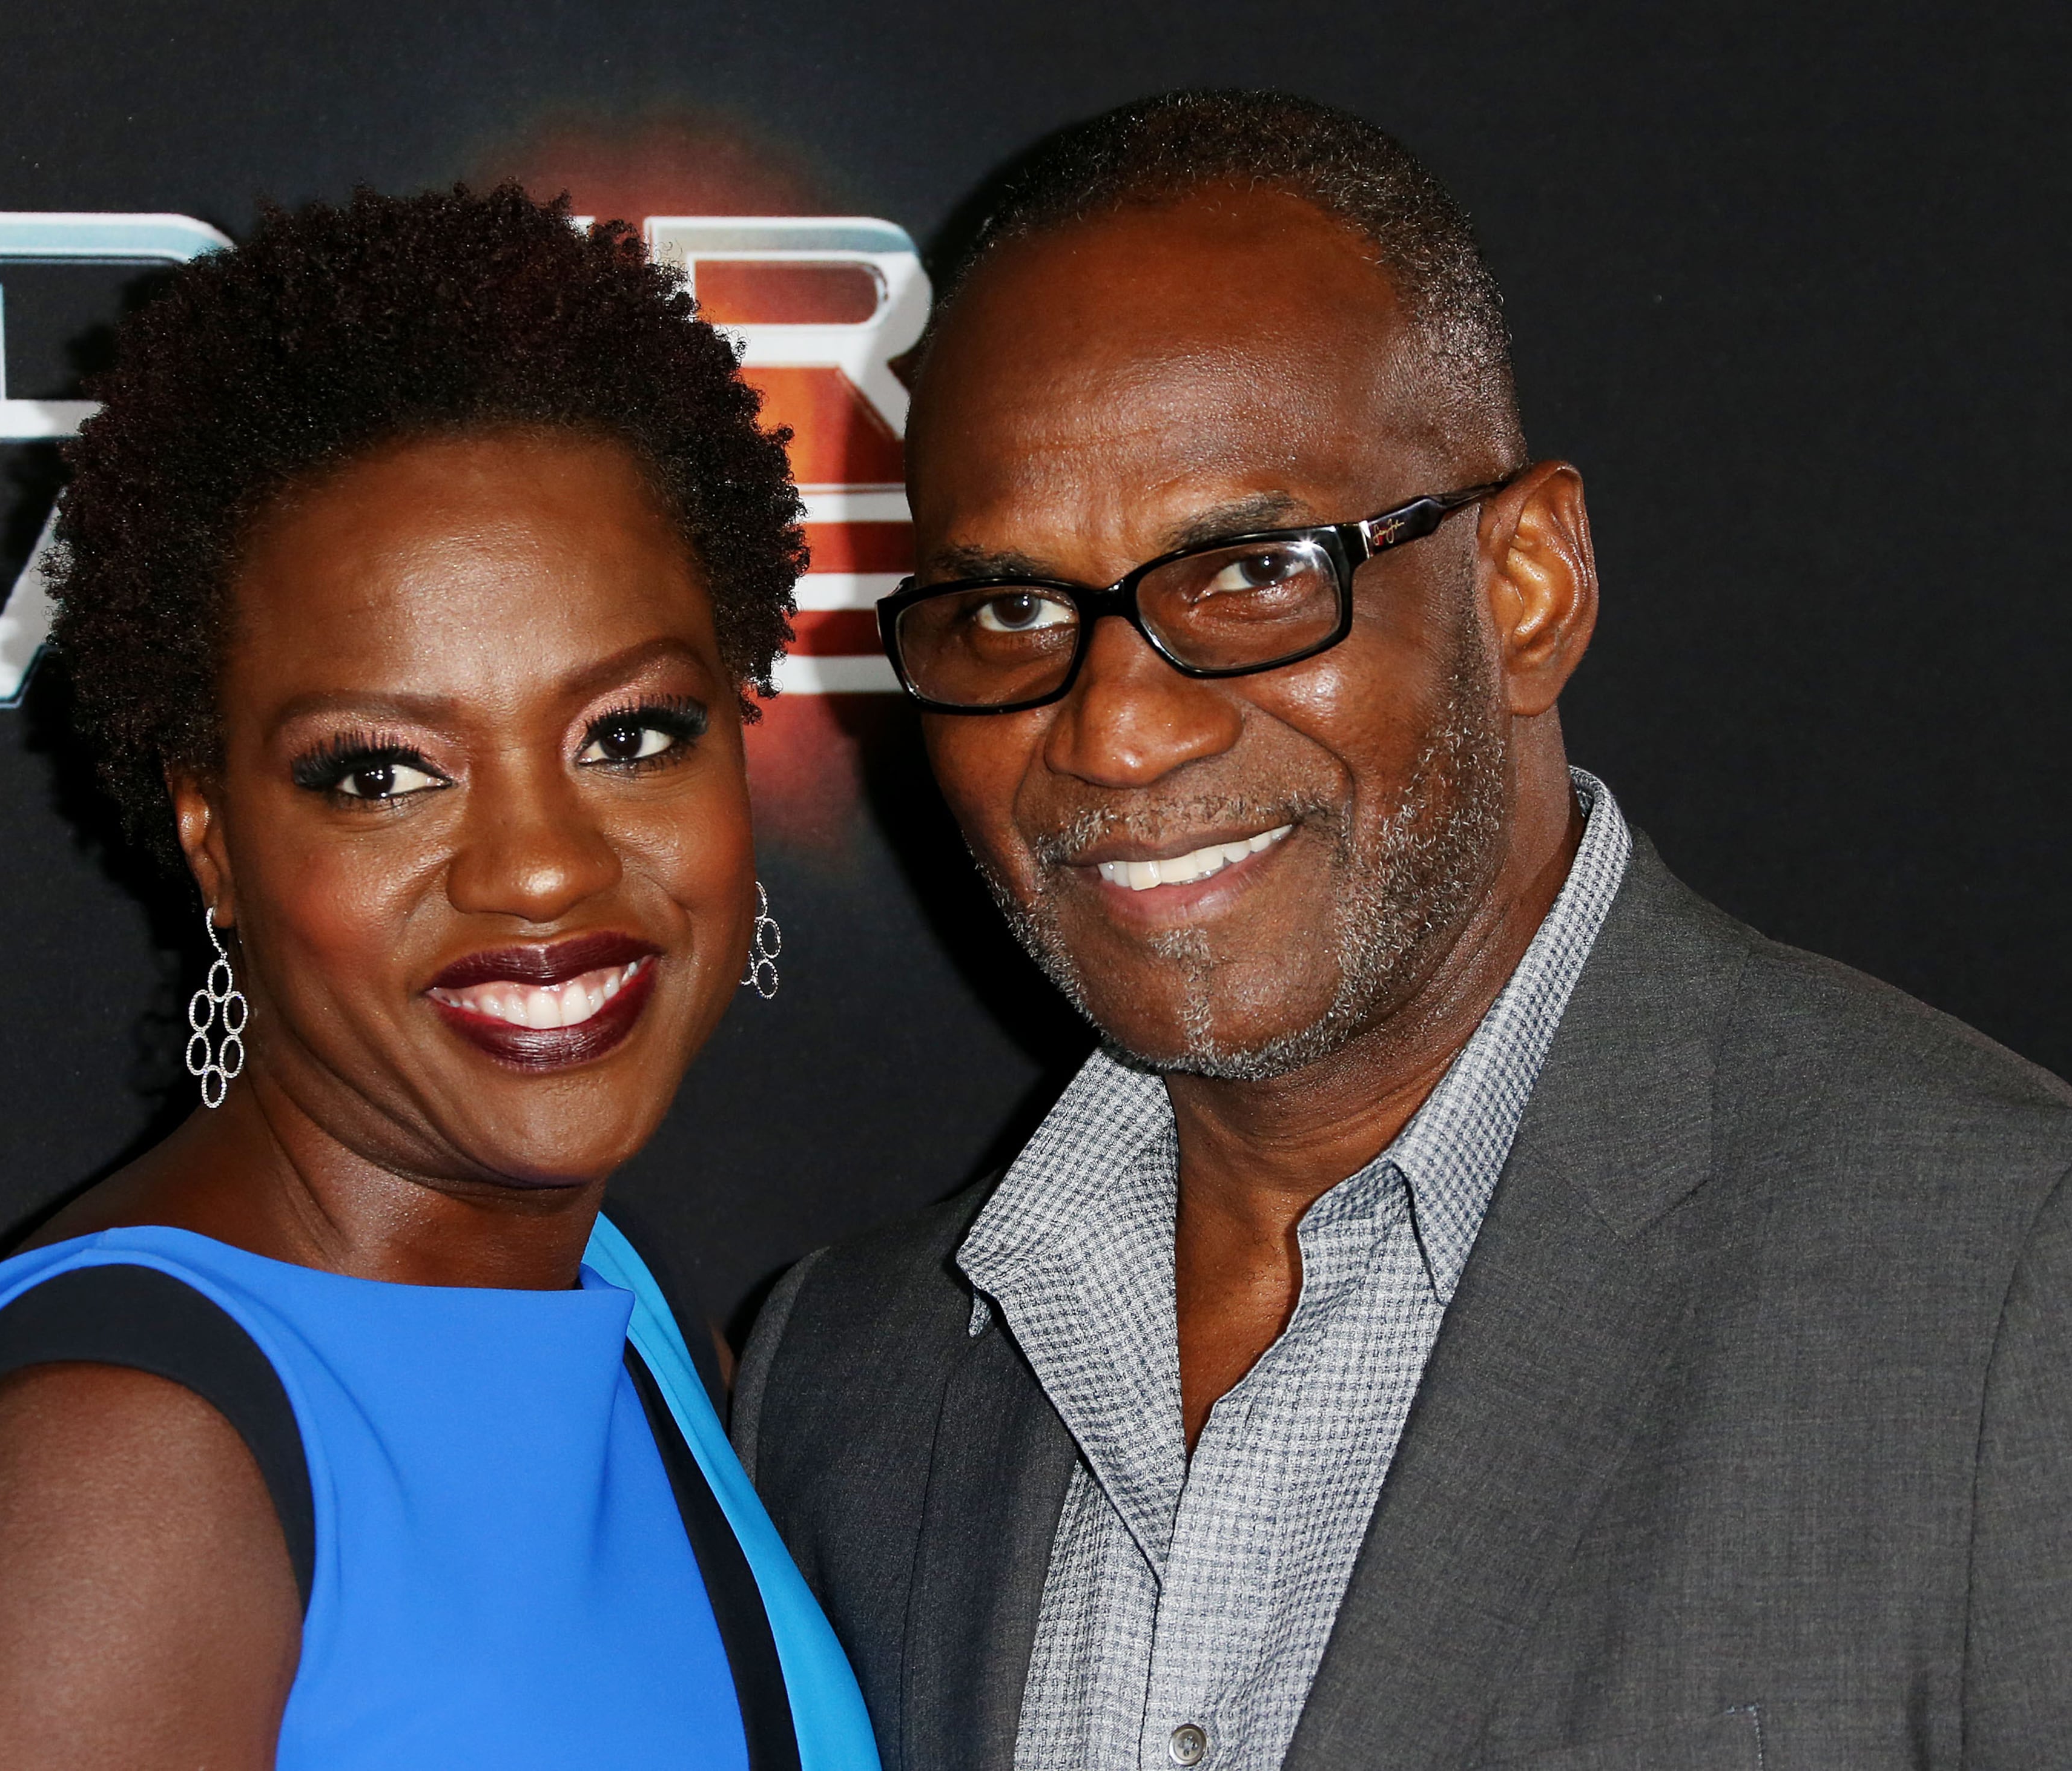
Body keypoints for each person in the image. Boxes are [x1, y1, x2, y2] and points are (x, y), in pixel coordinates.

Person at [734, 90, 2072, 1770]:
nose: (1118, 731)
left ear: (1527, 588)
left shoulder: (2007, 1289)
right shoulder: (848, 1376)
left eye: (1252, 571)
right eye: (1011, 608)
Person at [0, 186, 877, 1771]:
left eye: (629, 734)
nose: (540, 867)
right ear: (212, 834)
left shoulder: (628, 1315)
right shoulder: (119, 1471)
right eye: (383, 773)